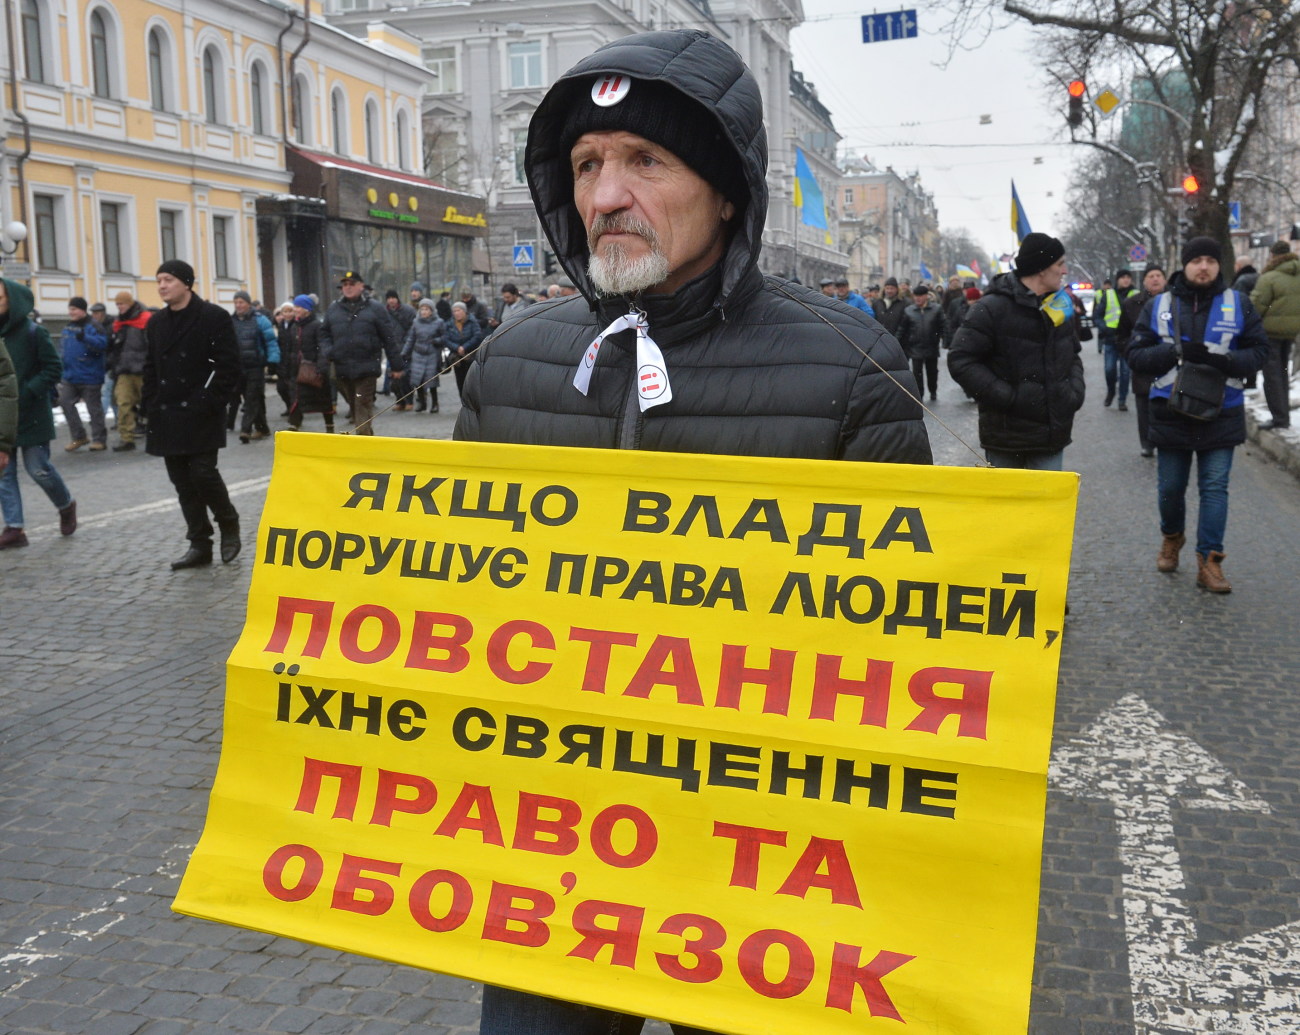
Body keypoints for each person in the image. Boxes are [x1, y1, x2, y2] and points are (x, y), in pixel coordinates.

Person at [454, 30, 928, 1032]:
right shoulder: (510, 361)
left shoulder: (851, 368)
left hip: (759, 853)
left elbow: (903, 633)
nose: (605, 196)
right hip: (555, 845)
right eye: (585, 164)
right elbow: (457, 596)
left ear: (725, 189)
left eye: (645, 160)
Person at [1127, 237, 1268, 593]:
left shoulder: (1239, 303)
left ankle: (1210, 561)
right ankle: (1172, 537)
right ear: (1184, 265)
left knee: (1215, 489)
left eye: (1210, 259)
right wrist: (1173, 353)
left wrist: (1225, 360)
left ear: (1219, 265)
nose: (1203, 266)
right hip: (1170, 410)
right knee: (1170, 490)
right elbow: (1136, 355)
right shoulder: (1159, 305)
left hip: (1223, 411)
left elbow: (1260, 352)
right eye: (1196, 260)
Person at [948, 232, 1086, 470]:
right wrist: (1007, 398)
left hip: (1051, 436)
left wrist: (1073, 393)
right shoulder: (991, 307)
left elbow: (1072, 354)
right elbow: (961, 359)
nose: (1064, 271)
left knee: (1046, 507)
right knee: (1005, 507)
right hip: (1006, 438)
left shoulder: (1058, 305)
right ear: (1041, 269)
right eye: (1060, 264)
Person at [143, 260, 242, 570]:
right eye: (158, 280)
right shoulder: (156, 323)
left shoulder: (213, 317)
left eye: (168, 279)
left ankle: (229, 522)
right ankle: (199, 544)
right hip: (168, 412)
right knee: (183, 482)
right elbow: (150, 367)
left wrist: (209, 401)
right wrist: (149, 403)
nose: (161, 285)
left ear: (186, 283)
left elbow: (228, 366)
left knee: (202, 472)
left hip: (201, 411)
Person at [0, 277, 78, 548]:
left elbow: (53, 369)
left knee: (38, 469)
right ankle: (14, 528)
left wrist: (28, 391)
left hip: (31, 413)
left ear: (13, 301)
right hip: (2, 416)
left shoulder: (34, 332)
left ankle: (66, 504)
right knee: (4, 472)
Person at [318, 270, 405, 435]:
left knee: (361, 402)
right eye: (345, 285)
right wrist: (329, 351)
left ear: (361, 286)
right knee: (355, 404)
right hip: (342, 367)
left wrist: (397, 366)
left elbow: (388, 338)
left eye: (352, 284)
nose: (348, 288)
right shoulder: (334, 309)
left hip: (367, 367)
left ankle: (362, 442)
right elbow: (324, 334)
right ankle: (367, 436)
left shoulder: (375, 308)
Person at [1249, 239, 1300, 430]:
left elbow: (1256, 306)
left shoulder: (1269, 277)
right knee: (1282, 373)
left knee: (1272, 376)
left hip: (1270, 332)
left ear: (1273, 255)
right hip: (1292, 331)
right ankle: (1283, 414)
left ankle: (1279, 418)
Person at [1117, 264, 1166, 457]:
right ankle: (1147, 443)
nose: (1155, 279)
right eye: (1151, 276)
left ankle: (1166, 440)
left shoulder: (1176, 301)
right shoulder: (1132, 303)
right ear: (1144, 281)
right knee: (1143, 405)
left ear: (1164, 279)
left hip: (1170, 363)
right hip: (1143, 362)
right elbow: (1121, 335)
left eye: (1159, 275)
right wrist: (1131, 354)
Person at [58, 296, 109, 451]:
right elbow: (63, 349)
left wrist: (86, 337)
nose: (70, 312)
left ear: (82, 310)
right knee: (65, 402)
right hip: (70, 375)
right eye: (70, 309)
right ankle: (79, 437)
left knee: (93, 409)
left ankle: (99, 439)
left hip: (90, 375)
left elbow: (103, 345)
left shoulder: (94, 326)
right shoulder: (68, 327)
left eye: (73, 309)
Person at [229, 290, 279, 443]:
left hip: (256, 366)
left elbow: (270, 341)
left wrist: (273, 360)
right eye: (236, 302)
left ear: (248, 304)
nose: (238, 305)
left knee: (251, 398)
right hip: (238, 367)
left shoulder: (260, 320)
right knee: (254, 397)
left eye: (241, 302)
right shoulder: (230, 321)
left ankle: (245, 429)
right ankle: (263, 428)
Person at [107, 290, 152, 452]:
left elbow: (152, 346)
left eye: (122, 304)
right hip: (124, 370)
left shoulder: (145, 320)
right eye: (117, 304)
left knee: (149, 406)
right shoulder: (119, 323)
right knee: (123, 403)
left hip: (142, 371)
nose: (119, 307)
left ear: (130, 303)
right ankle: (126, 438)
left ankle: (158, 436)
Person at [284, 295, 334, 434]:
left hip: (314, 370)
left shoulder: (317, 325)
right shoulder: (294, 326)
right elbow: (290, 348)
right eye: (295, 306)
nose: (296, 309)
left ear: (307, 309)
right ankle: (294, 424)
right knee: (296, 397)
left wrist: (322, 367)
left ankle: (329, 426)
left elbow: (322, 346)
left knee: (323, 400)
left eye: (299, 307)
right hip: (297, 370)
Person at [1093, 269, 1136, 409]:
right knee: (1109, 370)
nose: (1126, 280)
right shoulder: (1108, 294)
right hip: (1111, 339)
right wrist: (1104, 328)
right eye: (1123, 277)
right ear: (1117, 280)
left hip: (1128, 341)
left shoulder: (1136, 294)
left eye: (1128, 277)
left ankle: (1122, 400)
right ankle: (1111, 391)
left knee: (1125, 372)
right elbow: (1098, 316)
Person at [897, 283, 945, 401]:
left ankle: (933, 390)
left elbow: (943, 326)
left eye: (920, 296)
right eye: (916, 296)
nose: (917, 298)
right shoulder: (909, 311)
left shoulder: (936, 309)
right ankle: (920, 395)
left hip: (931, 346)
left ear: (926, 296)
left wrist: (945, 340)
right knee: (917, 374)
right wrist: (895, 341)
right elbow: (902, 328)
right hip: (915, 347)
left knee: (932, 372)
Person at [400, 299, 446, 413]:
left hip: (432, 354)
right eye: (422, 309)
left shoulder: (439, 322)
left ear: (431, 310)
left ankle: (435, 403)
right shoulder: (416, 322)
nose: (424, 311)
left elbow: (445, 337)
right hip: (418, 354)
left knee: (432, 380)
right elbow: (411, 339)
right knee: (418, 379)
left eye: (427, 309)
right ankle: (422, 403)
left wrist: (437, 340)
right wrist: (404, 352)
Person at [444, 300, 482, 400]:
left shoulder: (472, 321)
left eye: (459, 310)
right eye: (454, 311)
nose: (456, 313)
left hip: (470, 355)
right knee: (460, 381)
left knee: (472, 380)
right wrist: (457, 348)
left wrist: (465, 347)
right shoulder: (449, 324)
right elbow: (446, 339)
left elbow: (477, 335)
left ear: (464, 311)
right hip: (457, 358)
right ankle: (464, 401)